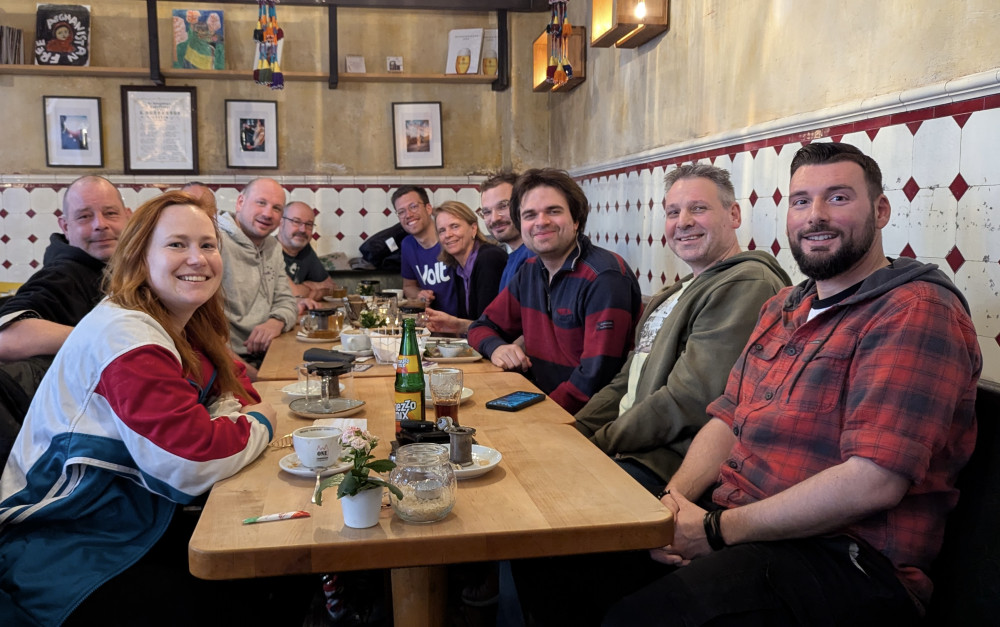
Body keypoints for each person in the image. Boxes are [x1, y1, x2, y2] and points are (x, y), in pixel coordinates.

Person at [602, 143, 982, 626]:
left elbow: (874, 481)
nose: (815, 216)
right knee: (575, 564)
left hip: (847, 561)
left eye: (838, 198)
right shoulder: (785, 305)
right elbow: (726, 418)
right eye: (801, 201)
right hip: (745, 528)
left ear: (881, 210)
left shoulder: (914, 310)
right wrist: (673, 508)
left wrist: (714, 532)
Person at [0, 191, 296, 626]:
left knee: (279, 559)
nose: (197, 258)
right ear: (140, 258)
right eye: (177, 244)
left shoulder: (179, 321)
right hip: (61, 545)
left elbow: (238, 386)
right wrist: (259, 424)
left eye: (207, 245)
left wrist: (235, 415)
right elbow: (188, 460)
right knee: (257, 589)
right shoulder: (127, 335)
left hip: (129, 515)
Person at [574, 164, 790, 494]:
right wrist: (575, 429)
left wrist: (598, 441)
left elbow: (688, 400)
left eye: (698, 208)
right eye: (673, 212)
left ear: (733, 215)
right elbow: (627, 379)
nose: (683, 221)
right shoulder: (676, 290)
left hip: (668, 468)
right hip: (632, 450)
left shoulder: (747, 284)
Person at [468, 168, 642, 414]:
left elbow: (595, 379)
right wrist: (497, 347)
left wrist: (541, 413)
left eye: (553, 211)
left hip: (591, 419)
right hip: (544, 402)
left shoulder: (604, 276)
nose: (541, 222)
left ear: (576, 220)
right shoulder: (529, 271)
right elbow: (480, 327)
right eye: (530, 215)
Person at [0, 176, 131, 460]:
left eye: (110, 213)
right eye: (85, 216)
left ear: (128, 217)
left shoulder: (112, 270)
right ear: (65, 227)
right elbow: (6, 337)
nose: (100, 224)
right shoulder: (65, 273)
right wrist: (109, 338)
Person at [218, 178, 307, 379]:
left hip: (270, 353)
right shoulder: (214, 242)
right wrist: (258, 378)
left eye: (276, 208)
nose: (268, 214)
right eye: (261, 203)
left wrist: (276, 321)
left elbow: (286, 300)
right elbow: (201, 333)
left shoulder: (272, 247)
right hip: (229, 364)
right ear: (240, 202)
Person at [423, 201, 507, 335]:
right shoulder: (459, 268)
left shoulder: (489, 259)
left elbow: (490, 325)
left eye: (454, 226)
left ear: (473, 229)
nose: (448, 235)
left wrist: (456, 324)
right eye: (442, 230)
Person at [394, 185, 459, 315]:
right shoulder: (407, 245)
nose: (408, 215)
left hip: (462, 323)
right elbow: (408, 286)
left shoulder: (450, 239)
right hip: (431, 323)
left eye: (413, 206)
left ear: (428, 208)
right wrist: (420, 294)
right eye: (401, 212)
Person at [477, 171, 535, 290]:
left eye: (503, 206)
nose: (494, 219)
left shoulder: (533, 256)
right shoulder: (514, 257)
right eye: (487, 212)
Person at [277, 201, 336, 300]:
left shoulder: (305, 250)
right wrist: (314, 288)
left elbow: (332, 287)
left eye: (309, 224)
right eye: (296, 222)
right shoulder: (268, 250)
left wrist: (303, 289)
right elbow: (292, 295)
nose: (303, 229)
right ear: (281, 222)